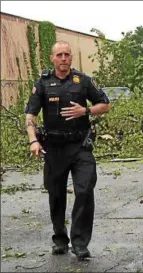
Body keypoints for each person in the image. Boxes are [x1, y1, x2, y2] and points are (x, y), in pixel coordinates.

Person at [24, 41, 110, 258]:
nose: (64, 58)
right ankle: (60, 239)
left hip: (80, 146)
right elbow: (30, 116)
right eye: (59, 55)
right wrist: (33, 141)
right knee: (56, 194)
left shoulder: (83, 81)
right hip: (53, 148)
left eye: (67, 55)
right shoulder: (43, 83)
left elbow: (105, 104)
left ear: (71, 58)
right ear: (52, 58)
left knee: (84, 190)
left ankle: (80, 242)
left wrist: (86, 110)